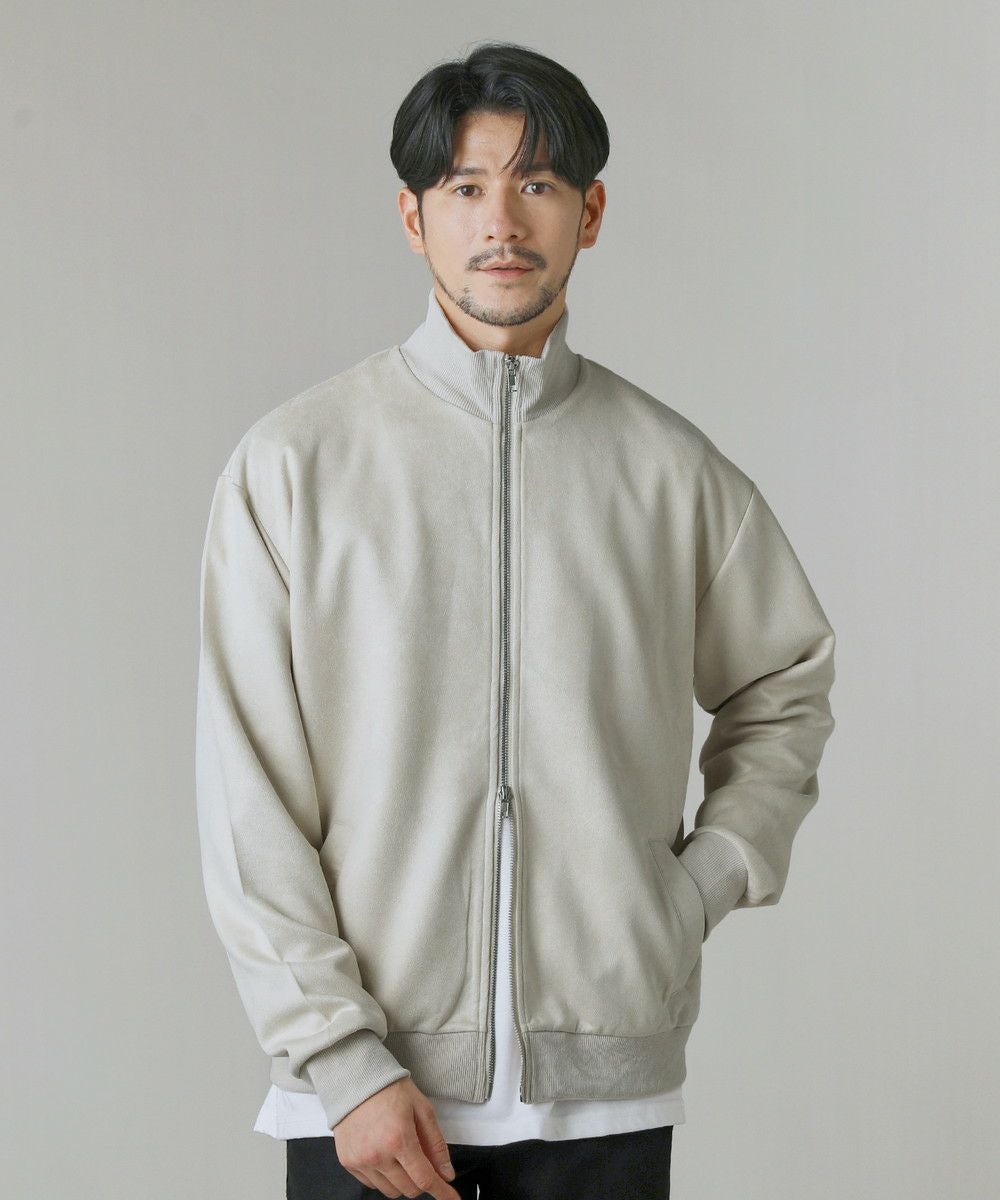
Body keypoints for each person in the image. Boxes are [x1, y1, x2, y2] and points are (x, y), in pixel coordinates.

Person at [195, 40, 837, 1200]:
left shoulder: (673, 472)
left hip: (603, 1090)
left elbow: (784, 679)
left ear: (589, 212)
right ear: (413, 217)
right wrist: (341, 1060)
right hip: (363, 1094)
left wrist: (695, 888)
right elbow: (249, 797)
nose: (501, 221)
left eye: (536, 183)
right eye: (465, 187)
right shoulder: (294, 467)